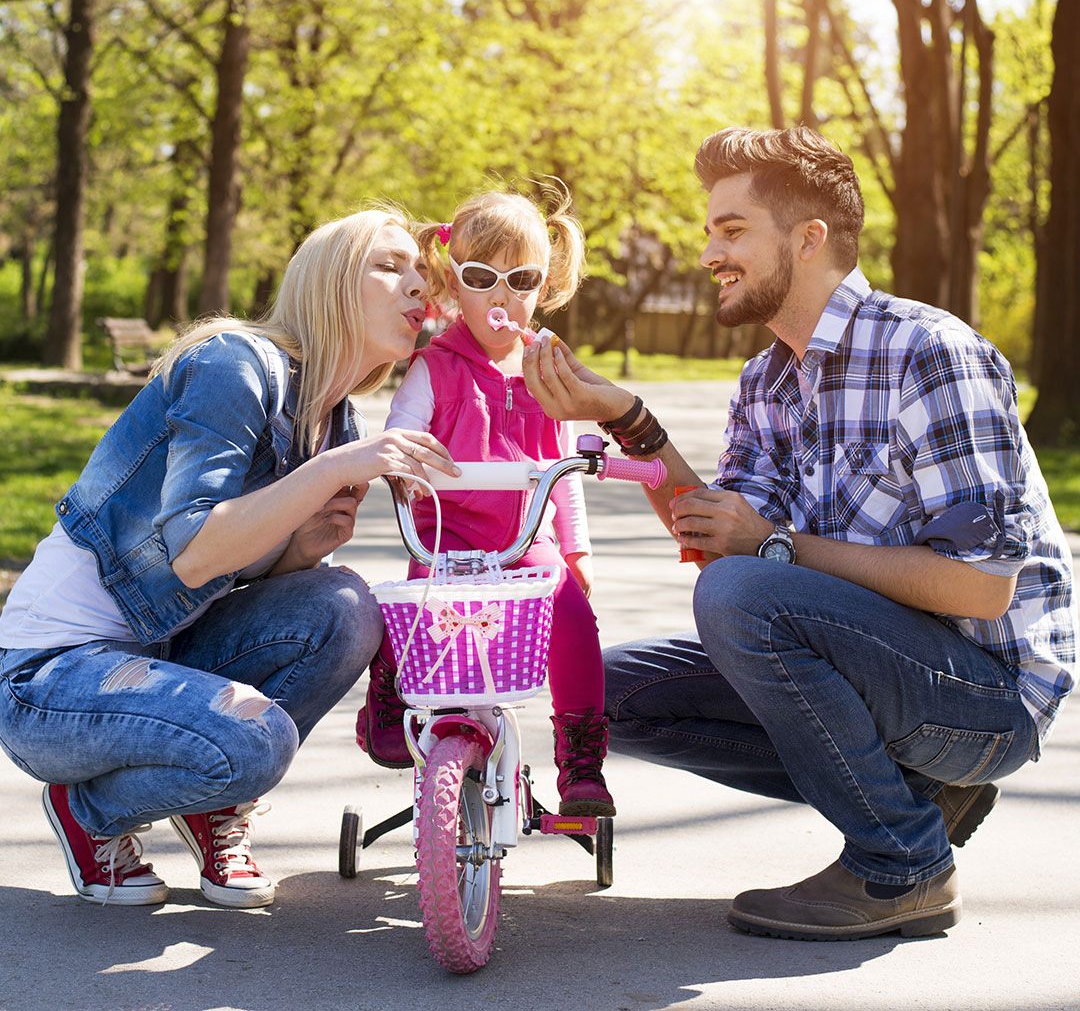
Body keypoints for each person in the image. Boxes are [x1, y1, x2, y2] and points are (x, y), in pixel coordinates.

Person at [522, 126, 1076, 940]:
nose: (709, 253)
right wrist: (629, 419)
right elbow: (721, 544)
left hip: (987, 697)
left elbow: (981, 585)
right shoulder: (767, 380)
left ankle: (902, 864)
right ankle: (917, 796)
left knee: (744, 591)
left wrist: (775, 546)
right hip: (883, 666)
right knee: (605, 694)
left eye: (732, 230)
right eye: (710, 231)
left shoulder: (930, 354)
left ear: (808, 238)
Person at [0, 209, 457, 907]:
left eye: (422, 273)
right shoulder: (234, 364)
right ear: (330, 282)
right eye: (390, 266)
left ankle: (211, 799)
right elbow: (191, 557)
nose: (419, 286)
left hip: (160, 653)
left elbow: (229, 582)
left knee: (345, 606)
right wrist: (331, 471)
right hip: (53, 679)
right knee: (256, 742)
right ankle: (90, 811)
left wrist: (298, 553)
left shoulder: (335, 422)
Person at [357, 183, 616, 816]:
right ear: (453, 283)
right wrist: (406, 460)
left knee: (573, 617)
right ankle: (389, 693)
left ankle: (581, 758)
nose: (501, 297)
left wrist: (577, 550)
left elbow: (562, 469)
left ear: (543, 287)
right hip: (446, 539)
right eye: (481, 278)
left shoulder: (546, 371)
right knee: (411, 608)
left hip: (526, 540)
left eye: (520, 280)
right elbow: (402, 431)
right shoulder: (434, 367)